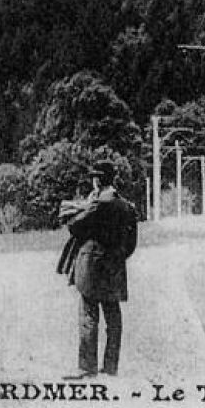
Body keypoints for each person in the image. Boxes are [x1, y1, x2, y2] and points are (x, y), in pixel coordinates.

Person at [60, 160, 139, 378]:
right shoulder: (126, 206)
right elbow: (131, 243)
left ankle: (87, 368)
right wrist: (118, 256)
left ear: (97, 180)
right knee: (113, 316)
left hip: (92, 267)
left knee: (88, 314)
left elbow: (75, 226)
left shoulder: (97, 203)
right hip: (114, 267)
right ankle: (111, 367)